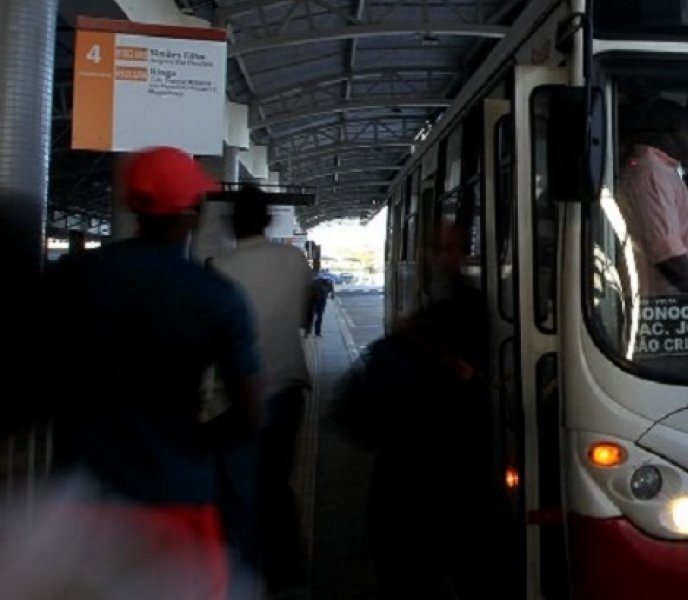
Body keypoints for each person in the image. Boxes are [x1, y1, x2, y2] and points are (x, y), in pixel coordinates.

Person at [36, 146, 262, 599]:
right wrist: (194, 441)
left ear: (133, 206)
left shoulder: (73, 276)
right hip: (177, 493)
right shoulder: (216, 295)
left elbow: (34, 376)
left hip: (80, 493)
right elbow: (249, 414)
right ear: (194, 212)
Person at [326, 223, 488, 599]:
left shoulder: (467, 304)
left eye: (450, 248)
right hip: (410, 442)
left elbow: (465, 371)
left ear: (464, 253)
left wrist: (412, 336)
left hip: (444, 446)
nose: (441, 256)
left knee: (426, 544)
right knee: (399, 543)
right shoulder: (435, 298)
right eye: (435, 247)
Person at [209, 185, 312, 596]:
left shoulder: (218, 268)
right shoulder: (295, 260)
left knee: (238, 492)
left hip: (234, 399)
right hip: (287, 393)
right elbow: (302, 318)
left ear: (230, 223)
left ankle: (248, 575)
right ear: (269, 220)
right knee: (277, 486)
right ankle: (288, 575)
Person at [617, 99, 688, 295]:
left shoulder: (662, 170)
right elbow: (666, 251)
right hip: (667, 304)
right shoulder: (651, 173)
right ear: (674, 132)